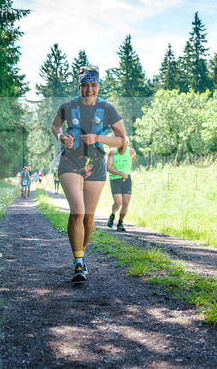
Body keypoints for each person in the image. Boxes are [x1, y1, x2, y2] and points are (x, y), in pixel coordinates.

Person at [51, 65, 127, 283]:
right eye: (85, 85)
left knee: (88, 217)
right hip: (70, 162)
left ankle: (80, 255)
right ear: (80, 86)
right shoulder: (67, 106)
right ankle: (78, 263)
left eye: (94, 85)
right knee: (78, 211)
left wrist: (99, 138)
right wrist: (61, 137)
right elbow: (55, 126)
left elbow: (122, 140)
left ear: (98, 86)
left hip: (96, 165)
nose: (90, 89)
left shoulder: (108, 109)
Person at [106, 139, 136, 231]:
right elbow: (108, 168)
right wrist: (120, 173)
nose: (122, 147)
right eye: (120, 145)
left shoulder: (131, 152)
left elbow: (131, 162)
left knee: (126, 203)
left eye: (124, 145)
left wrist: (125, 172)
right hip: (115, 179)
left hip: (126, 179)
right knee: (118, 202)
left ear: (127, 144)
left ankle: (120, 223)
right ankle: (112, 215)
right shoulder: (112, 152)